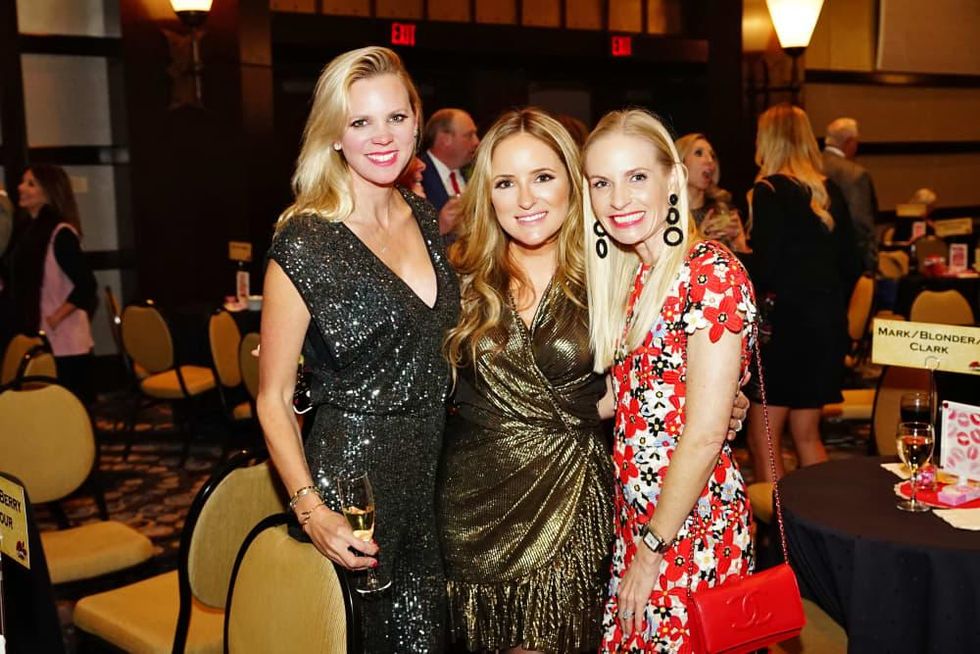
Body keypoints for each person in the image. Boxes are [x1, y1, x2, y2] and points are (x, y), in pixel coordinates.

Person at [257, 46, 459, 653]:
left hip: (432, 476)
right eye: (360, 121)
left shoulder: (423, 216)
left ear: (416, 122)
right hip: (353, 487)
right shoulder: (305, 240)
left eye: (396, 118)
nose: (382, 136)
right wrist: (311, 509)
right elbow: (272, 398)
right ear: (334, 135)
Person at [438, 108, 615, 654]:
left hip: (570, 498)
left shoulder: (614, 275)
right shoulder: (459, 281)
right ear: (486, 196)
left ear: (573, 182)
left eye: (542, 177)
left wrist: (719, 399)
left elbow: (656, 382)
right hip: (470, 510)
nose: (526, 200)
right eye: (505, 183)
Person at [582, 108, 756, 651]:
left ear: (672, 180)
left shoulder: (710, 273)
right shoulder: (631, 278)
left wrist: (651, 550)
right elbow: (621, 402)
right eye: (602, 183)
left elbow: (704, 435)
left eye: (637, 177)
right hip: (638, 521)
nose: (619, 200)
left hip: (690, 525)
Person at [746, 104, 862, 480]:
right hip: (825, 323)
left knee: (764, 437)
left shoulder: (768, 191)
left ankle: (781, 534)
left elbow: (766, 269)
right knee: (807, 435)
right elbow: (853, 263)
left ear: (769, 140)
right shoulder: (827, 191)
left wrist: (732, 258)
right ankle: (820, 530)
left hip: (786, 330)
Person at [8, 164, 97, 403]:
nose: (21, 188)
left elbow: (87, 286)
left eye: (30, 183)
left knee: (71, 409)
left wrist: (57, 317)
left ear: (48, 192)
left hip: (64, 340)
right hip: (38, 335)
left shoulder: (61, 234)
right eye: (23, 182)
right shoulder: (27, 231)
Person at [675, 133, 749, 253]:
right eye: (699, 153)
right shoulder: (668, 215)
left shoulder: (723, 210)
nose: (710, 160)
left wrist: (739, 242)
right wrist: (700, 240)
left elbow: (746, 268)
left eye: (712, 156)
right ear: (681, 162)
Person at [823, 117, 878, 272]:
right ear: (850, 142)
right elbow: (860, 223)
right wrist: (870, 264)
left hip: (816, 262)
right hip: (848, 263)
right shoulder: (855, 174)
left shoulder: (809, 166)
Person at [421, 108, 480, 236]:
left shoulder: (473, 172)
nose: (476, 142)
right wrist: (439, 227)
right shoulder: (415, 177)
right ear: (445, 139)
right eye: (469, 135)